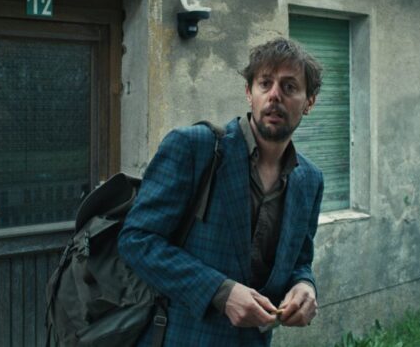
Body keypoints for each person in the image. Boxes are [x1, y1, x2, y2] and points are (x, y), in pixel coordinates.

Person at [118, 37, 325, 346]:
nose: (274, 95)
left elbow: (300, 260)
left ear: (309, 102)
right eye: (265, 83)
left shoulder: (310, 180)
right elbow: (136, 240)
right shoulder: (194, 148)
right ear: (249, 93)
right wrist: (219, 291)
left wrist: (304, 286)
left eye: (289, 87)